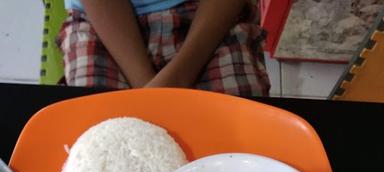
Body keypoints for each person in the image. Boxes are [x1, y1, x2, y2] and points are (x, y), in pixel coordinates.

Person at [58, 0, 270, 97]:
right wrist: (150, 93)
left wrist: (175, 80)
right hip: (103, 22)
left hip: (207, 16)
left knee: (239, 139)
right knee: (90, 137)